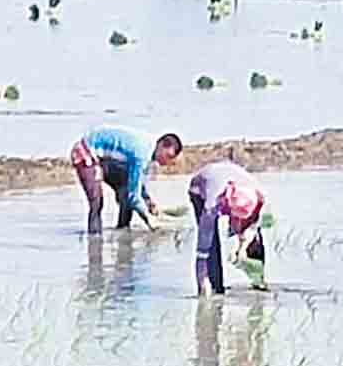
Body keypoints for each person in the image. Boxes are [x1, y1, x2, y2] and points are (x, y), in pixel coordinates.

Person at [71, 125, 182, 234]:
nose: (167, 162)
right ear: (161, 145)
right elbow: (134, 196)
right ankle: (94, 238)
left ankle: (122, 230)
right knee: (97, 202)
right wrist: (149, 220)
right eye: (168, 156)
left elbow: (136, 183)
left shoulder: (149, 153)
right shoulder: (142, 154)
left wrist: (148, 201)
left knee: (125, 190)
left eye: (171, 160)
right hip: (86, 151)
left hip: (105, 159)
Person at [189, 161, 268, 296]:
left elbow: (254, 225)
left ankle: (258, 280)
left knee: (255, 240)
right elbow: (202, 252)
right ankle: (215, 287)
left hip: (231, 177)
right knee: (211, 244)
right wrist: (202, 280)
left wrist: (242, 247)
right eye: (237, 219)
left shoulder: (259, 195)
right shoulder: (211, 206)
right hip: (200, 188)